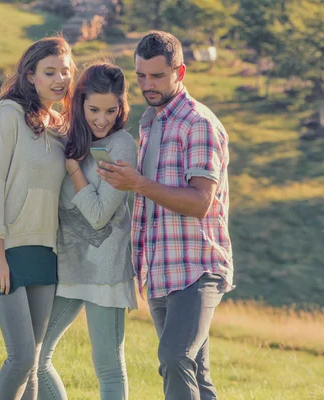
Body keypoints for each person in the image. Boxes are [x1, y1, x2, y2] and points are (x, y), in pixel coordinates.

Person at [97, 31, 234, 400]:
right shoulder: (150, 123)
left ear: (180, 72)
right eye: (141, 76)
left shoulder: (198, 123)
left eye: (157, 76)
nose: (147, 85)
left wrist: (138, 183)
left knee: (174, 358)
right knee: (194, 373)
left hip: (197, 268)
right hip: (159, 268)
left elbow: (199, 202)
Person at [0, 36, 76, 400]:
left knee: (32, 364)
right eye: (50, 72)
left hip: (44, 253)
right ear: (31, 75)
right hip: (6, 249)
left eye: (65, 71)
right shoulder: (9, 114)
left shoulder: (62, 126)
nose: (59, 79)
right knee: (19, 358)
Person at [37, 62, 138, 400]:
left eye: (111, 110)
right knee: (33, 358)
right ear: (79, 102)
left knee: (108, 369)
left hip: (105, 270)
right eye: (94, 109)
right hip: (66, 265)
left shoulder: (120, 145)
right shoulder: (66, 136)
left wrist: (74, 171)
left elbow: (97, 215)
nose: (102, 119)